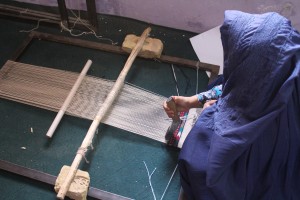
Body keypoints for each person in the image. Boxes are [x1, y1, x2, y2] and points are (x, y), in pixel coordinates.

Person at [163, 10, 300, 200]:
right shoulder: (288, 67)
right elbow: (233, 84)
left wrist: (204, 115)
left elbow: (202, 169)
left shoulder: (236, 139)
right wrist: (193, 100)